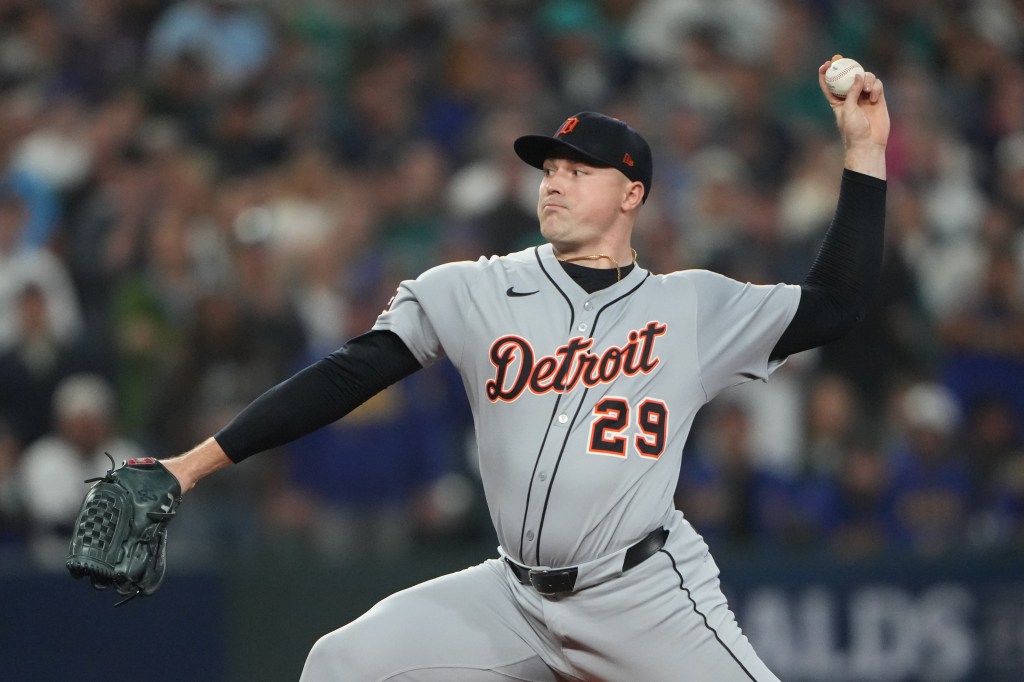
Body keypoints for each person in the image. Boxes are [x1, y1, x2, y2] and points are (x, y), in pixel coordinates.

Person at [157, 58, 889, 681]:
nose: (554, 182)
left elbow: (837, 303)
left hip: (641, 597)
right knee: (339, 665)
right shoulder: (474, 288)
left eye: (579, 170)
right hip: (512, 596)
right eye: (550, 169)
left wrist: (863, 149)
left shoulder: (690, 307)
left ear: (632, 194)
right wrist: (187, 469)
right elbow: (345, 375)